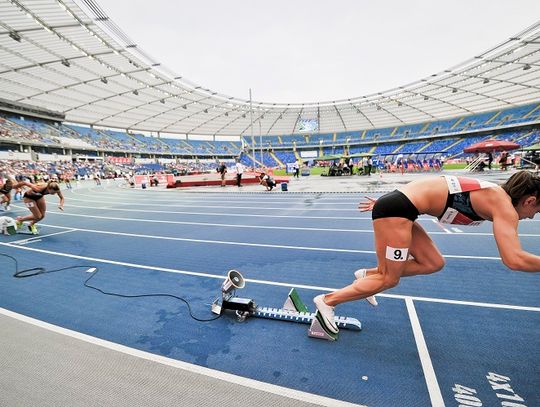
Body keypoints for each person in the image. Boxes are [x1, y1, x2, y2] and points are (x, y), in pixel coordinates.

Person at [313, 171, 540, 334]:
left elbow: (439, 184)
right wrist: (390, 204)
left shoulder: (494, 193)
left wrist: (391, 200)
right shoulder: (504, 207)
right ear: (530, 200)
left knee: (433, 262)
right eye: (536, 210)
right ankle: (327, 301)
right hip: (398, 210)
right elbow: (514, 259)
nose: (532, 216)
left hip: (401, 206)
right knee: (389, 278)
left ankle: (368, 276)